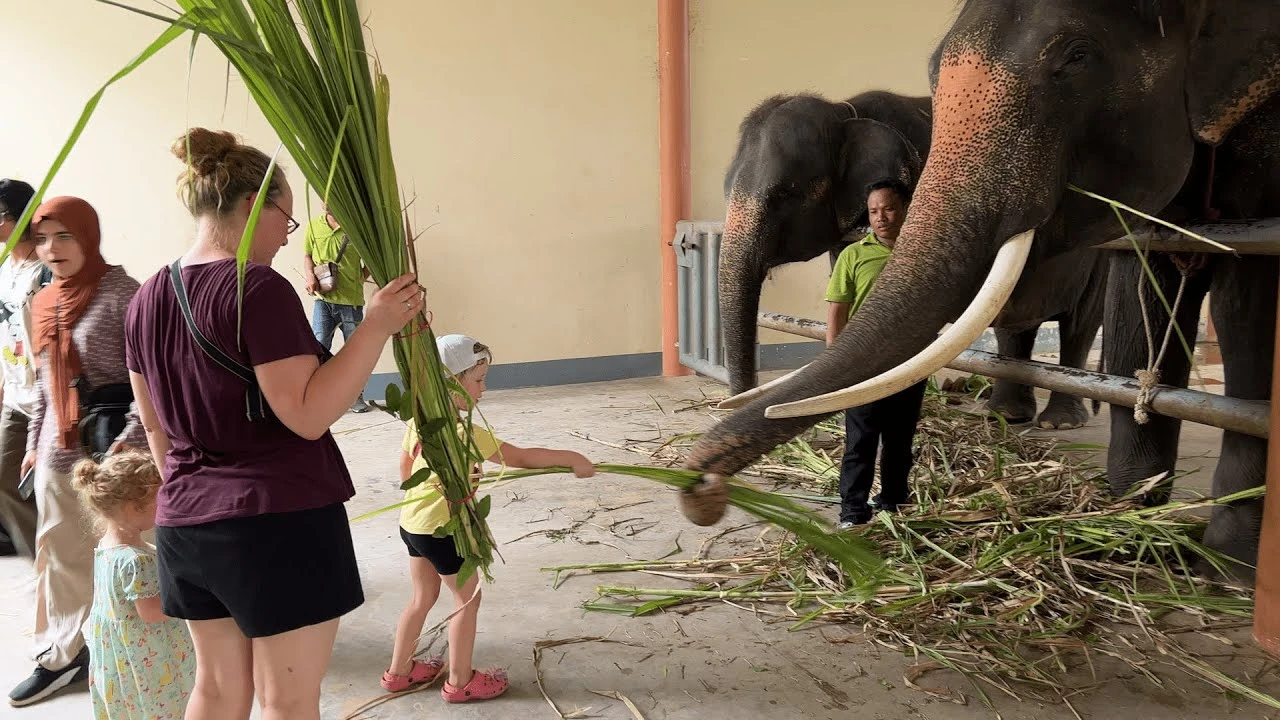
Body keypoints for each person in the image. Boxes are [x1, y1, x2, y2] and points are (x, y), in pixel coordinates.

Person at [123, 127, 422, 720]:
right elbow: (306, 415)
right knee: (287, 700)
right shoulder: (256, 287)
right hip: (274, 521)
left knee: (213, 690)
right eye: (285, 218)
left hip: (186, 523)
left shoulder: (147, 296)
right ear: (256, 203)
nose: (288, 238)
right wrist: (376, 325)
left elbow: (154, 427)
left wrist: (199, 493)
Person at [384, 333, 595, 703]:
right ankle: (461, 681)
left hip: (413, 523)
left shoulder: (420, 420)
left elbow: (406, 468)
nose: (483, 390)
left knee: (422, 596)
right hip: (442, 531)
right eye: (478, 381)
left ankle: (398, 673)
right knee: (467, 600)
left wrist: (445, 486)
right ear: (452, 384)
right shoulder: (462, 433)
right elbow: (522, 457)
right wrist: (573, 457)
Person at [10, 196, 146, 707]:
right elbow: (46, 385)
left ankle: (131, 652)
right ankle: (65, 656)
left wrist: (123, 453)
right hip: (57, 454)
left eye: (64, 236)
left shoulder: (125, 296)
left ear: (89, 235)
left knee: (129, 559)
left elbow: (148, 386)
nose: (51, 249)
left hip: (117, 458)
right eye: (42, 239)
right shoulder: (44, 301)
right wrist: (32, 446)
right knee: (62, 561)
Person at [825, 178, 926, 529]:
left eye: (889, 208)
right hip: (864, 363)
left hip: (909, 361)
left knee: (900, 440)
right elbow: (838, 310)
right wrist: (835, 363)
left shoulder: (923, 252)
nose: (880, 217)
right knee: (861, 441)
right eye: (873, 211)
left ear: (906, 209)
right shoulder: (853, 255)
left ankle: (894, 502)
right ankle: (853, 512)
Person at [73, 450, 196, 720]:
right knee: (159, 705)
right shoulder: (136, 561)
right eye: (158, 502)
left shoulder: (106, 548)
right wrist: (190, 597)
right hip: (145, 654)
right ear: (132, 508)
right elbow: (151, 612)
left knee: (128, 707)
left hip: (117, 652)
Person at [0, 179, 48, 558]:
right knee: (5, 477)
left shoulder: (46, 268)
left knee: (54, 485)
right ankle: (41, 557)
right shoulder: (4, 267)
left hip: (47, 394)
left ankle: (61, 561)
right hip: (15, 393)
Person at [303, 206, 371, 413]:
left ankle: (356, 398)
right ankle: (317, 398)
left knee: (354, 353)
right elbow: (308, 255)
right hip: (323, 300)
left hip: (351, 302)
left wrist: (360, 278)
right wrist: (309, 276)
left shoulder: (355, 228)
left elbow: (370, 258)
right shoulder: (314, 225)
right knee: (317, 348)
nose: (326, 201)